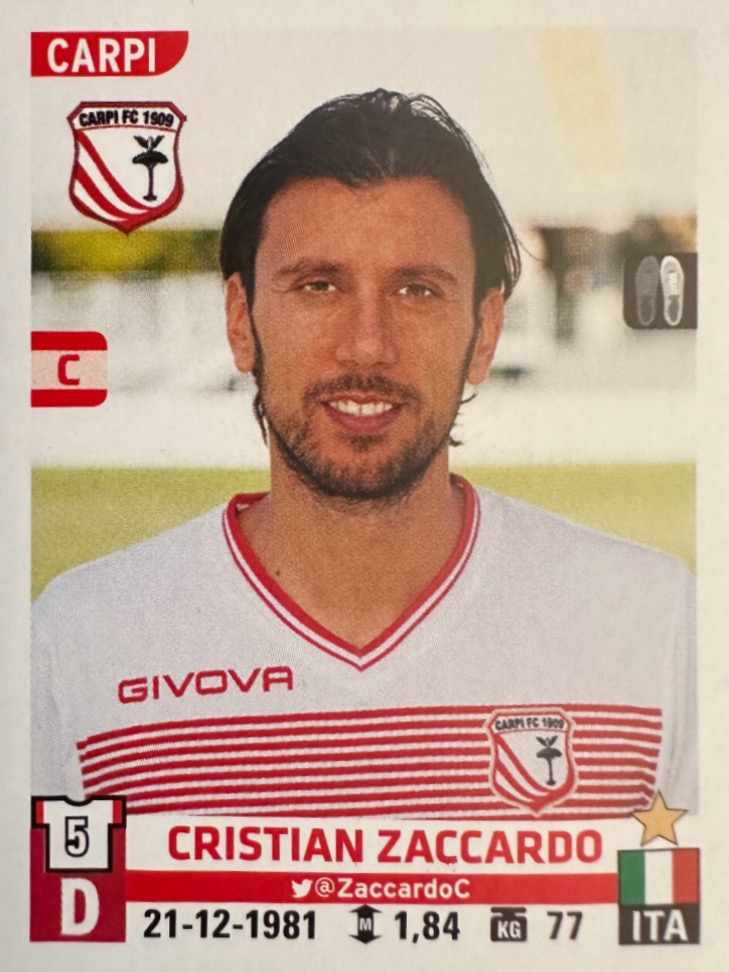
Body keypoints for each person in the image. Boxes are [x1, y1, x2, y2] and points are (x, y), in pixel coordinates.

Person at [32, 89, 696, 819]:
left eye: (417, 290)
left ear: (484, 333)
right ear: (240, 321)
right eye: (318, 286)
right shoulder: (81, 636)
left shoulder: (655, 622)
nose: (367, 346)